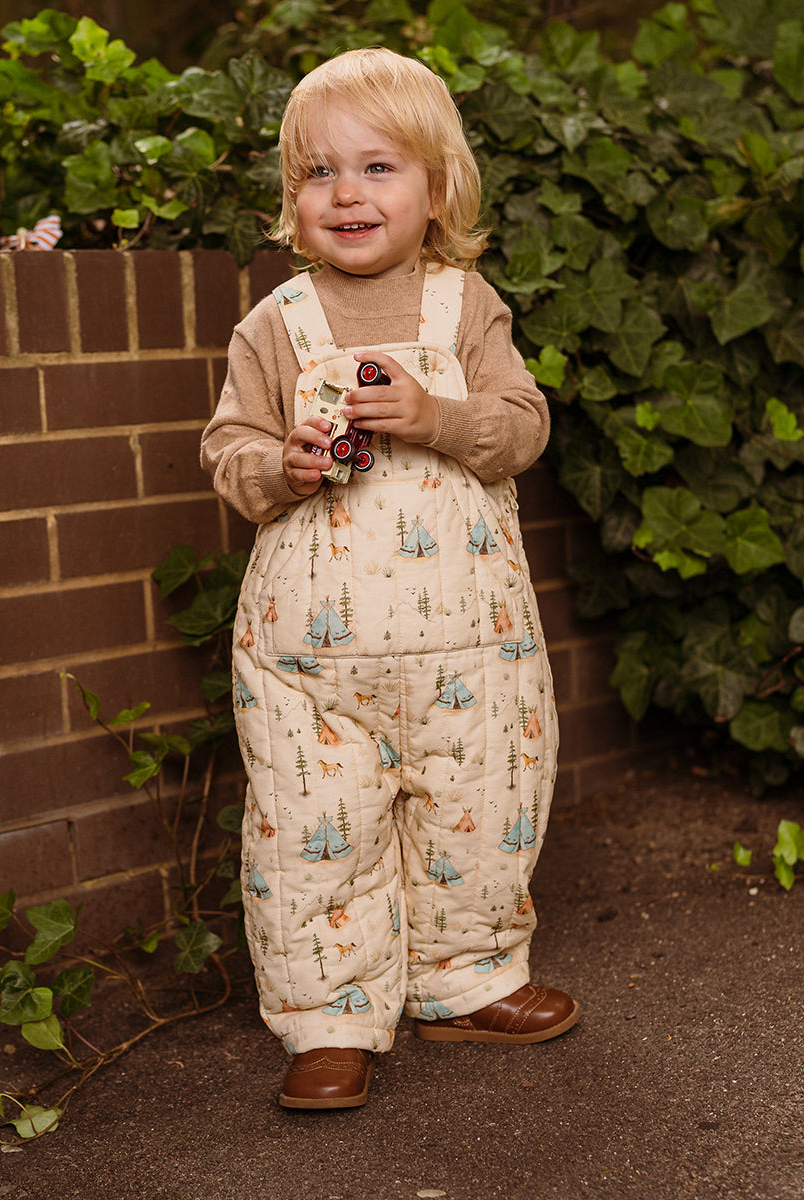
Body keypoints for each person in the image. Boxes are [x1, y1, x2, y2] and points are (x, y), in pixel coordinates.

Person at [200, 46, 580, 1111]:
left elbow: (521, 427)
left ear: (437, 190)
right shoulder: (277, 324)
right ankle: (329, 1019)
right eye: (319, 172)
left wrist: (436, 415)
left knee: (482, 805)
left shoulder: (465, 307)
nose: (347, 194)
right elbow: (228, 447)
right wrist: (280, 466)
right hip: (310, 657)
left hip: (473, 645)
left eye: (378, 168)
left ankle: (469, 978)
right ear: (293, 199)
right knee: (311, 830)